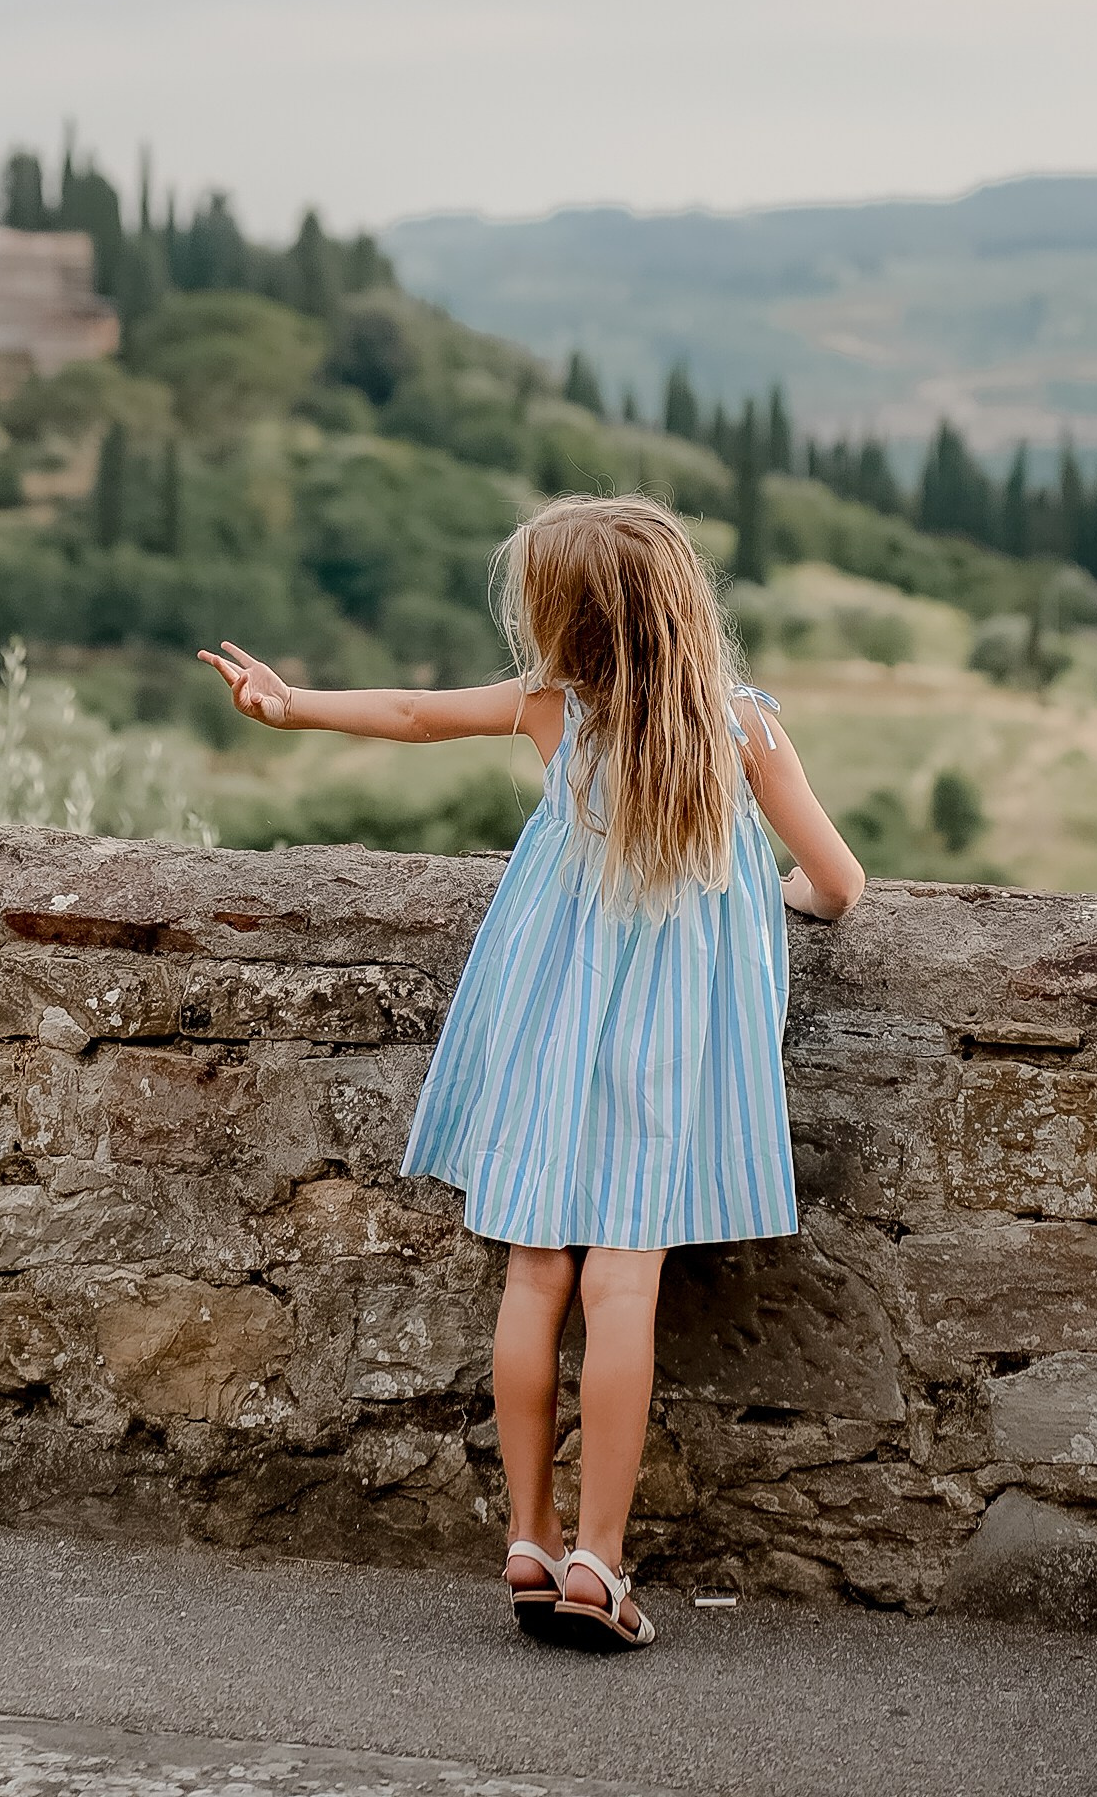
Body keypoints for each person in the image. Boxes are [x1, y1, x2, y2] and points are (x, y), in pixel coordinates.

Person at [200, 490, 864, 1653]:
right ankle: (599, 1564)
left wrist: (286, 704)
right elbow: (839, 882)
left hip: (550, 1033)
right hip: (666, 1059)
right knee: (623, 1289)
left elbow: (410, 712)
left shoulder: (556, 711)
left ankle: (527, 1531)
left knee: (531, 1280)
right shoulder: (742, 730)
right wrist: (786, 897)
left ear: (567, 621)